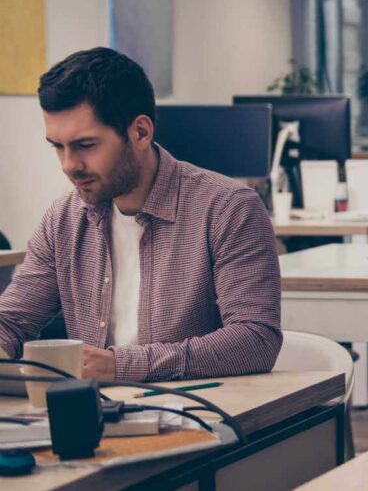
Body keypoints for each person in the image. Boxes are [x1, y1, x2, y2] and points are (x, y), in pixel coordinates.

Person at [0, 48, 282, 382]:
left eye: (86, 145)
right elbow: (11, 320)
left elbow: (255, 340)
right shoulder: (63, 219)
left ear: (141, 132)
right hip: (97, 417)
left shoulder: (228, 208)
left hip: (201, 415)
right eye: (57, 146)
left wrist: (120, 366)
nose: (68, 165)